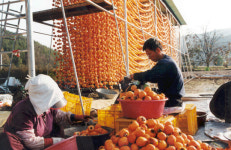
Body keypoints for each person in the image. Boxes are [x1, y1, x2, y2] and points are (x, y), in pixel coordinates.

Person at [2, 74, 92, 150]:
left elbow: (58, 115)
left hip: (42, 139)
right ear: (41, 98)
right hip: (23, 146)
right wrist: (56, 141)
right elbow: (30, 142)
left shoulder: (45, 105)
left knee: (56, 125)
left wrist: (76, 117)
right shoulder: (22, 112)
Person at [129, 38, 185, 107]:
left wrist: (134, 76)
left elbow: (151, 75)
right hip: (172, 98)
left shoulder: (166, 63)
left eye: (150, 54)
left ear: (158, 50)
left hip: (172, 102)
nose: (149, 57)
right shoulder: (167, 60)